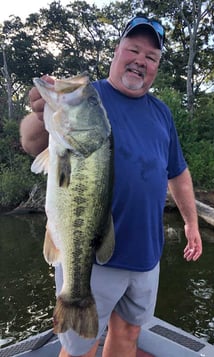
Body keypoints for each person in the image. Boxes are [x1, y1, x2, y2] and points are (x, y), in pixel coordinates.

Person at [20, 15, 202, 357]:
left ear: (156, 68)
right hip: (92, 255)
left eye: (151, 57)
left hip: (146, 251)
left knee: (129, 333)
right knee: (80, 346)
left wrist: (191, 223)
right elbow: (32, 142)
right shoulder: (88, 98)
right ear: (116, 53)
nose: (141, 61)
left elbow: (177, 172)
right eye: (133, 49)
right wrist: (40, 110)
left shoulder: (162, 113)